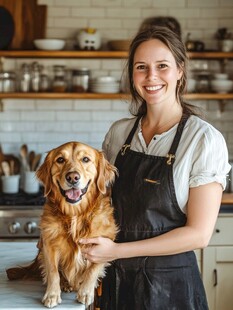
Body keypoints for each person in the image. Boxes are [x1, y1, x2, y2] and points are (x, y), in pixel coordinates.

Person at [80, 26, 231, 309]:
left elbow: (199, 234)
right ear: (132, 74)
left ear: (180, 71)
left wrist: (117, 251)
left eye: (162, 66)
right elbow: (99, 203)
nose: (151, 77)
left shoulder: (203, 139)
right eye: (141, 67)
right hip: (116, 284)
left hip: (171, 290)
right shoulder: (119, 134)